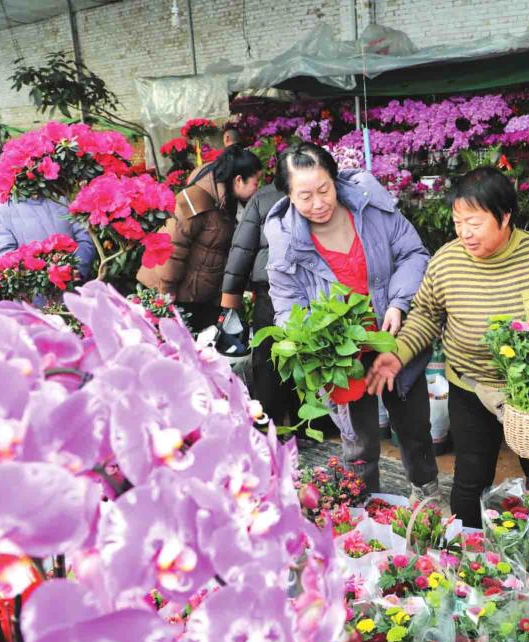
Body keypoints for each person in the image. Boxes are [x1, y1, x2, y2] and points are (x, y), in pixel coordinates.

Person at [367, 167, 529, 530]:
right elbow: (426, 316)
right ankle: (467, 544)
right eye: (458, 222)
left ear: (505, 216)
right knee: (470, 475)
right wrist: (398, 353)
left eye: (474, 222)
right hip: (471, 385)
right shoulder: (446, 261)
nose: (464, 233)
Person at [263, 142, 439, 498]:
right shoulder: (285, 242)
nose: (318, 203)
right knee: (358, 443)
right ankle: (361, 507)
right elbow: (286, 307)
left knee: (414, 429)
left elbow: (413, 254)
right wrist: (315, 341)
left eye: (324, 190)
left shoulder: (372, 209)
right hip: (343, 359)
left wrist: (399, 303)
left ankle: (426, 495)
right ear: (289, 196)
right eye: (305, 196)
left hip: (396, 341)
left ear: (336, 180)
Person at [137, 144, 261, 331]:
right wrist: (166, 298)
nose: (258, 189)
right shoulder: (195, 201)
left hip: (200, 295)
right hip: (178, 295)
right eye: (256, 183)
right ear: (238, 180)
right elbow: (171, 249)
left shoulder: (226, 201)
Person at [220, 177, 300, 428]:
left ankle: (268, 420)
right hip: (300, 285)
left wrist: (231, 296)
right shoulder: (322, 191)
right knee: (302, 353)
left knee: (268, 355)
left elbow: (241, 249)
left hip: (270, 287)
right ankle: (309, 424)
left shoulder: (263, 197)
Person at [0, 146, 96, 278]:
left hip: (76, 283)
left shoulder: (58, 196)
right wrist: (52, 277)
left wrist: (76, 269)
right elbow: (6, 260)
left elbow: (84, 237)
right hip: (37, 289)